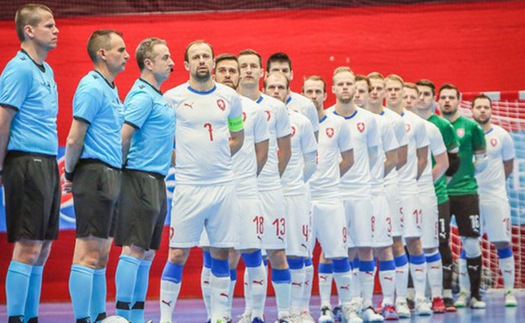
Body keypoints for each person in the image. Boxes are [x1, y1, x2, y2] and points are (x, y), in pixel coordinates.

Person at [160, 40, 244, 323]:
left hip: (222, 185)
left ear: (213, 62)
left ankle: (220, 317)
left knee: (222, 251)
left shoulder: (230, 98)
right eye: (196, 57)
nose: (202, 61)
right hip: (188, 186)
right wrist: (183, 160)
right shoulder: (172, 97)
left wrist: (217, 158)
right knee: (178, 253)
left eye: (206, 56)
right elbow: (159, 140)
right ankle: (165, 318)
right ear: (186, 65)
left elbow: (238, 136)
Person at [63, 29, 129, 323]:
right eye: (121, 50)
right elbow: (75, 138)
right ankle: (82, 319)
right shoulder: (90, 87)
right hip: (93, 174)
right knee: (87, 254)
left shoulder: (112, 88)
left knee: (101, 256)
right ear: (102, 53)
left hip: (112, 175)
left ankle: (99, 317)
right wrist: (70, 173)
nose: (127, 55)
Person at [199, 53, 270, 323]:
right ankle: (217, 315)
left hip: (245, 192)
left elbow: (261, 152)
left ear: (240, 75)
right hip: (212, 192)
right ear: (214, 74)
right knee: (213, 253)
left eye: (233, 70)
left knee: (252, 251)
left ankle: (258, 316)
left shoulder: (253, 110)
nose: (228, 75)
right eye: (223, 70)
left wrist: (246, 180)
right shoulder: (202, 107)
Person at [0, 4, 59, 323]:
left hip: (48, 162)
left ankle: (31, 317)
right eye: (49, 25)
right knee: (28, 246)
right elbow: (2, 121)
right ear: (29, 31)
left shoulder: (46, 70)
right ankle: (16, 319)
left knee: (44, 247)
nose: (56, 30)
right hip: (25, 162)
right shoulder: (18, 69)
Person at [113, 37, 175, 323]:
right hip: (138, 178)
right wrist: (123, 173)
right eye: (165, 57)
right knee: (134, 249)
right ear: (148, 63)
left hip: (156, 180)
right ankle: (123, 317)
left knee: (147, 252)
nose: (172, 63)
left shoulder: (157, 96)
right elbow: (122, 137)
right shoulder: (142, 96)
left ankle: (136, 318)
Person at [236, 49, 293, 323]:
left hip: (269, 188)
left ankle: (284, 313)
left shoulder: (277, 107)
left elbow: (286, 151)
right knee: (244, 252)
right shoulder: (227, 103)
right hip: (238, 189)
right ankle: (252, 312)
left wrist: (269, 178)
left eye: (253, 66)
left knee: (276, 251)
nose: (248, 70)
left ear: (263, 73)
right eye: (242, 66)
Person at [326, 67, 383, 322]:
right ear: (334, 88)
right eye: (341, 84)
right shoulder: (325, 118)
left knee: (364, 248)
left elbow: (373, 155)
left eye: (350, 83)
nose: (346, 88)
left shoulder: (368, 120)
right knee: (334, 250)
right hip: (334, 194)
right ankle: (335, 305)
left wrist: (363, 180)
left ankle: (367, 305)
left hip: (361, 193)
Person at [264, 71, 318, 321]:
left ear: (288, 91)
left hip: (294, 195)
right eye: (271, 87)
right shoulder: (255, 117)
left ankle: (295, 312)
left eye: (280, 87)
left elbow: (311, 162)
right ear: (264, 89)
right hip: (263, 194)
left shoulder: (302, 121)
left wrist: (295, 184)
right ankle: (252, 312)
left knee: (296, 253)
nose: (276, 91)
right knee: (257, 254)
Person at [302, 75, 355, 323]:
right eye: (308, 92)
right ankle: (312, 309)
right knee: (301, 256)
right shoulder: (297, 124)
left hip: (331, 198)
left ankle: (347, 307)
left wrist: (330, 177)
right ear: (302, 94)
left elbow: (349, 159)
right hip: (303, 199)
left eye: (317, 92)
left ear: (325, 95)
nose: (313, 96)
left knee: (339, 253)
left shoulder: (338, 124)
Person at [437, 84, 487, 309]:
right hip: (441, 194)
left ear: (459, 101)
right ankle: (444, 294)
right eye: (443, 97)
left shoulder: (471, 127)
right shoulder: (434, 126)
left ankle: (474, 295)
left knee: (472, 243)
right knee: (440, 243)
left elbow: (481, 158)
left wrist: (466, 175)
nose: (447, 101)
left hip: (467, 193)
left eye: (451, 97)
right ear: (438, 101)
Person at [385, 75, 431, 317]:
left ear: (404, 92)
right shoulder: (378, 120)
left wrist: (411, 179)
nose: (393, 93)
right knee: (393, 243)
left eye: (397, 89)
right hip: (388, 190)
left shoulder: (416, 123)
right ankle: (400, 299)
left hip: (409, 190)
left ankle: (422, 298)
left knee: (413, 241)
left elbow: (423, 157)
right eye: (389, 89)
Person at [356, 75, 400, 320]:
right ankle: (355, 304)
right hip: (347, 195)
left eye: (365, 90)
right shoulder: (332, 118)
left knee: (384, 247)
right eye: (358, 89)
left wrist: (372, 178)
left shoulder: (381, 123)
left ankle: (388, 302)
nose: (361, 94)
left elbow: (393, 158)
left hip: (376, 193)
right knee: (349, 250)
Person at [466, 93, 517, 307]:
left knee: (502, 242)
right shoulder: (466, 134)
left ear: (491, 109)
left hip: (495, 197)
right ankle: (466, 292)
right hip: (470, 197)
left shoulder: (502, 135)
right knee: (469, 242)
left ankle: (509, 291)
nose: (482, 111)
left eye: (486, 107)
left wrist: (494, 185)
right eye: (478, 107)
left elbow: (508, 164)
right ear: (472, 110)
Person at [404, 83, 449, 313]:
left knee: (430, 245)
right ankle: (406, 298)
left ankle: (437, 297)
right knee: (403, 245)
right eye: (406, 96)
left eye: (414, 96)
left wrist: (423, 180)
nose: (410, 100)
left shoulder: (429, 128)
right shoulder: (390, 125)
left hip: (424, 194)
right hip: (399, 194)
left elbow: (443, 163)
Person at [416, 79, 460, 311]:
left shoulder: (441, 126)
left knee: (440, 243)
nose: (421, 98)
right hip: (408, 195)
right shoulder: (402, 123)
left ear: (433, 99)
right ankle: (413, 295)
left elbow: (452, 161)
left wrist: (433, 179)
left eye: (425, 94)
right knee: (409, 244)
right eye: (417, 93)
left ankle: (444, 294)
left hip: (437, 194)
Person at [266, 52, 319, 139]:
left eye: (285, 71)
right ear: (266, 75)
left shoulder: (306, 105)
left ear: (291, 74)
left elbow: (313, 144)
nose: (281, 74)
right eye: (276, 70)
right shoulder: (257, 105)